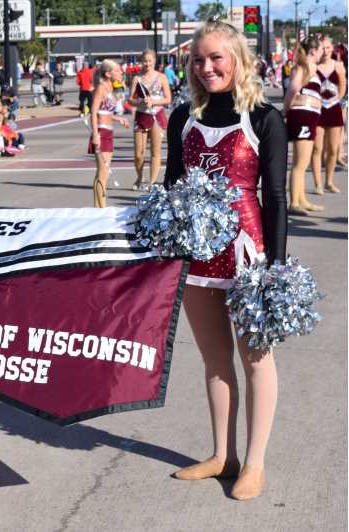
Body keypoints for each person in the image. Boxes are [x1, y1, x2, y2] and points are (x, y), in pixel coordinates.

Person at [164, 20, 287, 501]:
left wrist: (275, 269)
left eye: (216, 57)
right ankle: (223, 455)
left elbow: (274, 196)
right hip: (196, 257)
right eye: (198, 59)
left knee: (257, 359)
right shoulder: (182, 117)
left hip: (247, 254)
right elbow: (173, 189)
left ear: (237, 59)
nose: (206, 66)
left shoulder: (263, 117)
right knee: (215, 360)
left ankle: (254, 463)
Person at [285, 36, 325, 215]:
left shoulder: (312, 69)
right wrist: (287, 109)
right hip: (302, 114)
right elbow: (293, 89)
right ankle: (294, 202)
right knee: (300, 162)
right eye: (321, 49)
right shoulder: (301, 67)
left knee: (305, 160)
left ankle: (301, 199)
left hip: (310, 116)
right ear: (313, 51)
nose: (323, 52)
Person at [128, 49, 171, 190]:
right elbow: (130, 99)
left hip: (157, 115)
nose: (147, 63)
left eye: (150, 61)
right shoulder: (137, 78)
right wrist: (139, 102)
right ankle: (140, 177)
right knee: (138, 153)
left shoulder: (162, 77)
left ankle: (152, 182)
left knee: (155, 152)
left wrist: (154, 102)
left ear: (154, 61)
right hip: (141, 115)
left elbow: (168, 99)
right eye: (145, 61)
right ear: (141, 62)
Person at [88, 60, 129, 208]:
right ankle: (101, 207)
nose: (121, 73)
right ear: (107, 73)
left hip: (109, 131)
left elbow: (105, 112)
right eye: (117, 71)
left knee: (102, 173)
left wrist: (119, 118)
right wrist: (95, 135)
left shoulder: (110, 88)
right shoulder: (101, 88)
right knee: (103, 173)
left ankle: (97, 207)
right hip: (101, 131)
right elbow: (93, 112)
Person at [311, 36, 345, 194]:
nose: (325, 51)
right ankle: (318, 183)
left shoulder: (338, 65)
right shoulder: (313, 65)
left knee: (332, 149)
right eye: (322, 48)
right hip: (317, 110)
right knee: (317, 148)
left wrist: (337, 100)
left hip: (333, 108)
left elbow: (343, 86)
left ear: (332, 48)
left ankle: (329, 181)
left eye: (328, 48)